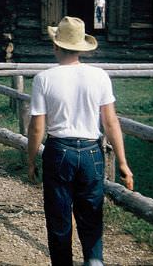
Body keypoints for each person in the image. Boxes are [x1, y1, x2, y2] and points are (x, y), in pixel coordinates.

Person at [27, 16, 133, 266]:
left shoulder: (44, 78)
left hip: (58, 150)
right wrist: (123, 163)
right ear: (81, 47)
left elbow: (37, 127)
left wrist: (31, 159)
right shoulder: (99, 77)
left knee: (59, 218)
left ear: (55, 46)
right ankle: (94, 261)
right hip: (91, 153)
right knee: (91, 215)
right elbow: (110, 123)